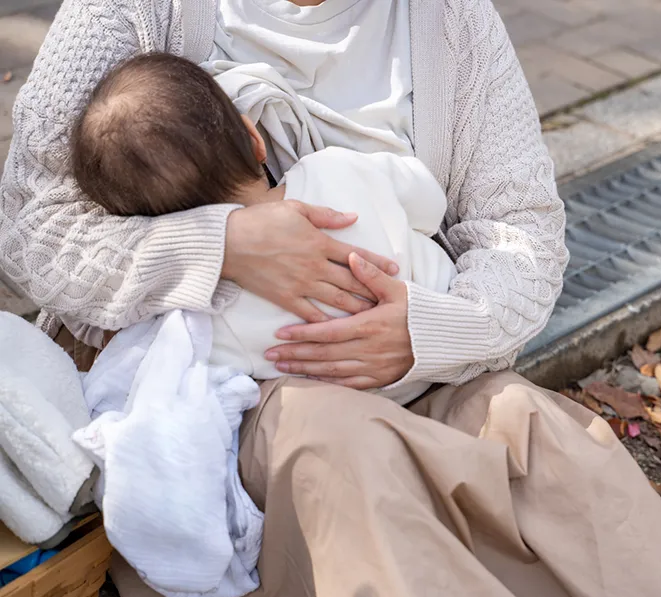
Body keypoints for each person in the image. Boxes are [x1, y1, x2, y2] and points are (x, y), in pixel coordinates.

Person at [0, 0, 661, 597]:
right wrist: (223, 244)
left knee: (538, 435)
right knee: (344, 450)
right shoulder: (135, 8)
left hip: (410, 358)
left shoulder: (451, 22)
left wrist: (425, 330)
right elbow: (31, 229)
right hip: (226, 391)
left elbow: (523, 233)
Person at [70, 52, 455, 403]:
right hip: (440, 340)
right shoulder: (338, 167)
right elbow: (430, 204)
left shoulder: (211, 315)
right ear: (255, 139)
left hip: (365, 405)